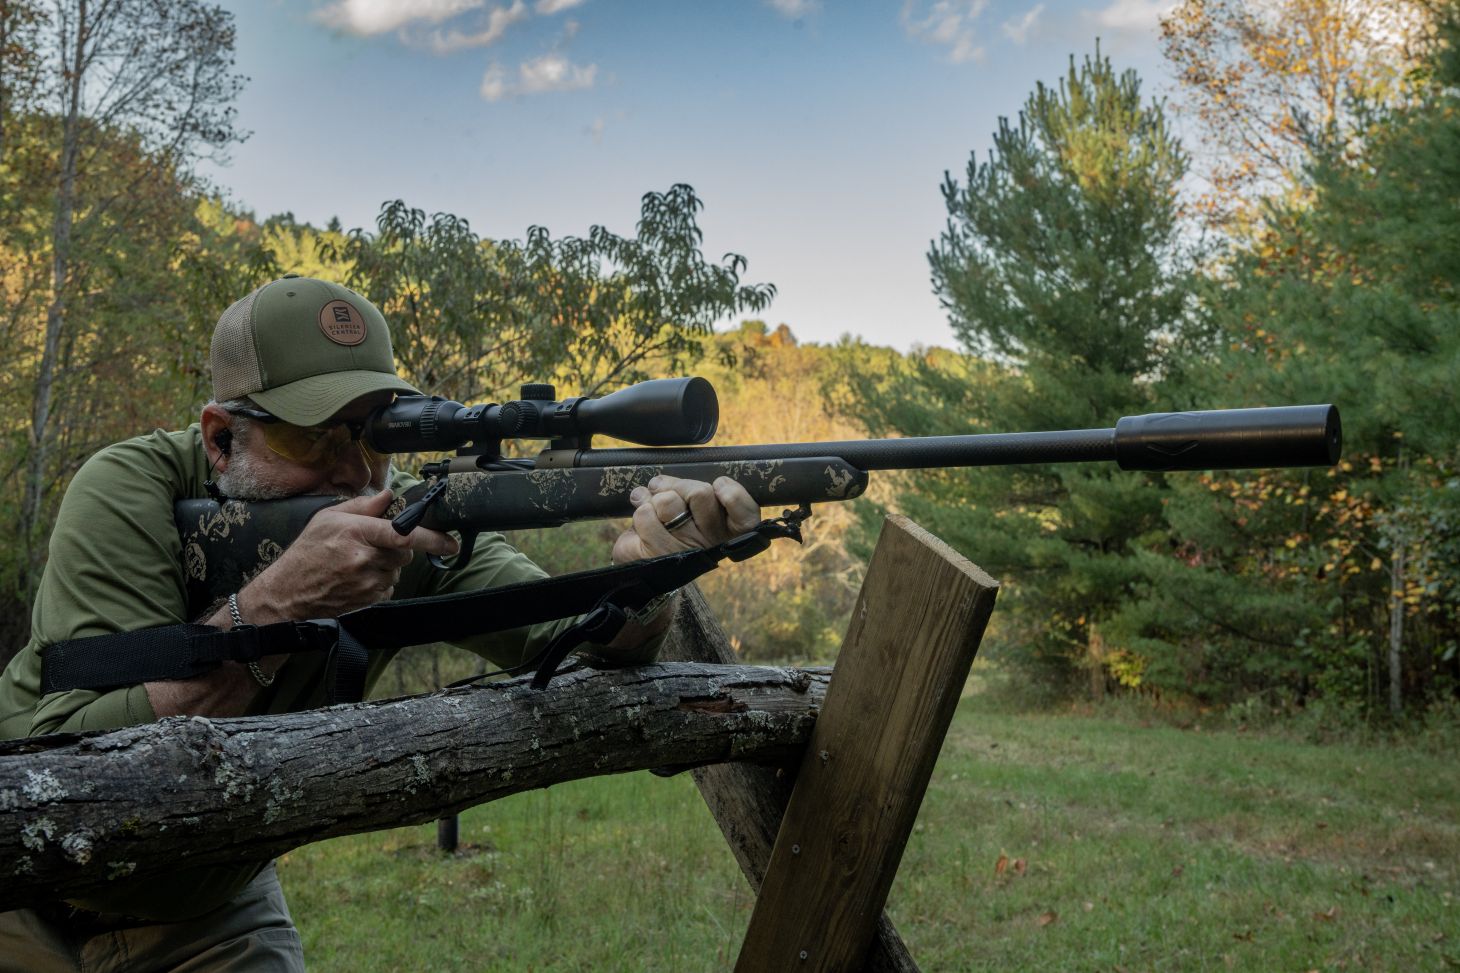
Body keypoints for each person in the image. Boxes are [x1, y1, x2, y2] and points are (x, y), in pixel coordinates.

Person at [0, 275, 762, 971]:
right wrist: (273, 604)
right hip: (21, 887)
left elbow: (580, 643)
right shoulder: (129, 488)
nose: (353, 472)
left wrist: (654, 573)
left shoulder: (407, 526)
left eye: (377, 434)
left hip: (209, 903)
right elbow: (86, 748)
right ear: (220, 437)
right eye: (311, 437)